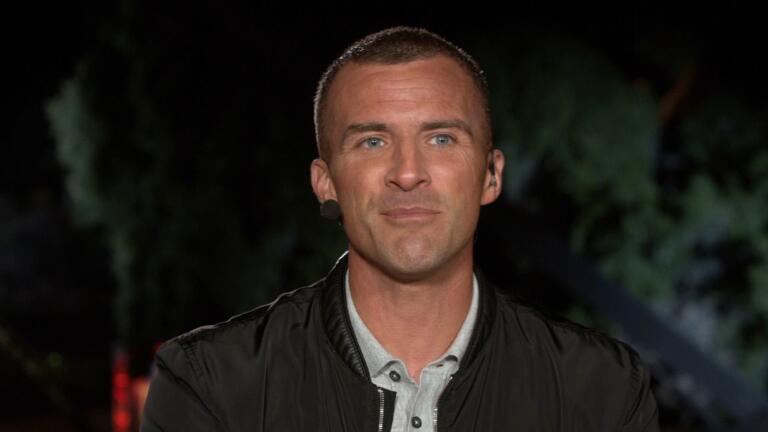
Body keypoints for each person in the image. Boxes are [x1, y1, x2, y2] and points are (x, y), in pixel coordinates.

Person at [141, 26, 660, 431]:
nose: (408, 172)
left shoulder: (601, 389)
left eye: (441, 139)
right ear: (326, 183)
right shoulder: (209, 384)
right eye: (372, 141)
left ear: (491, 174)